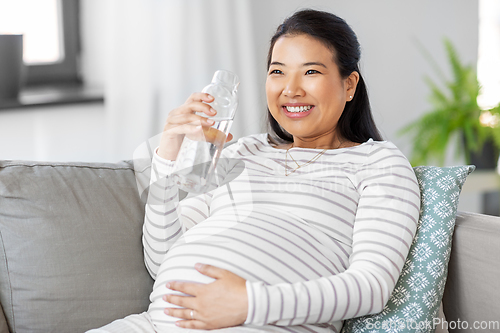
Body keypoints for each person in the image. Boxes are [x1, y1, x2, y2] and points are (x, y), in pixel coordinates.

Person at [89, 8, 420, 333]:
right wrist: (167, 155)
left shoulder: (379, 163)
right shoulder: (243, 151)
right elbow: (162, 260)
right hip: (153, 324)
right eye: (278, 72)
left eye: (311, 72)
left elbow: (370, 286)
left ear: (349, 85)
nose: (290, 89)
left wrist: (249, 302)